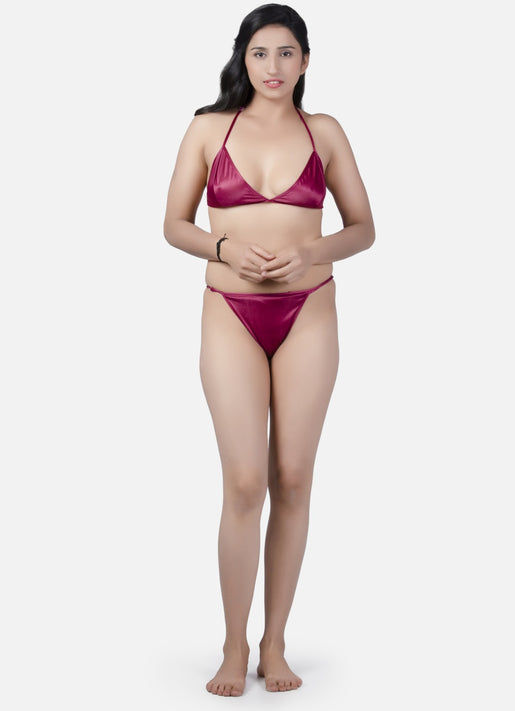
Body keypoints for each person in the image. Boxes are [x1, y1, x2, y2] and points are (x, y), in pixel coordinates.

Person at [163, 3, 375, 697]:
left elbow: (364, 227)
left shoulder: (325, 132)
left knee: (293, 476)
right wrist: (223, 247)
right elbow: (173, 224)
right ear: (243, 59)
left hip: (309, 311)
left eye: (287, 53)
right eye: (260, 53)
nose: (273, 66)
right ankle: (232, 645)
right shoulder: (207, 128)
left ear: (305, 61)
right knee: (244, 482)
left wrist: (312, 250)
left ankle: (274, 642)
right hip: (229, 311)